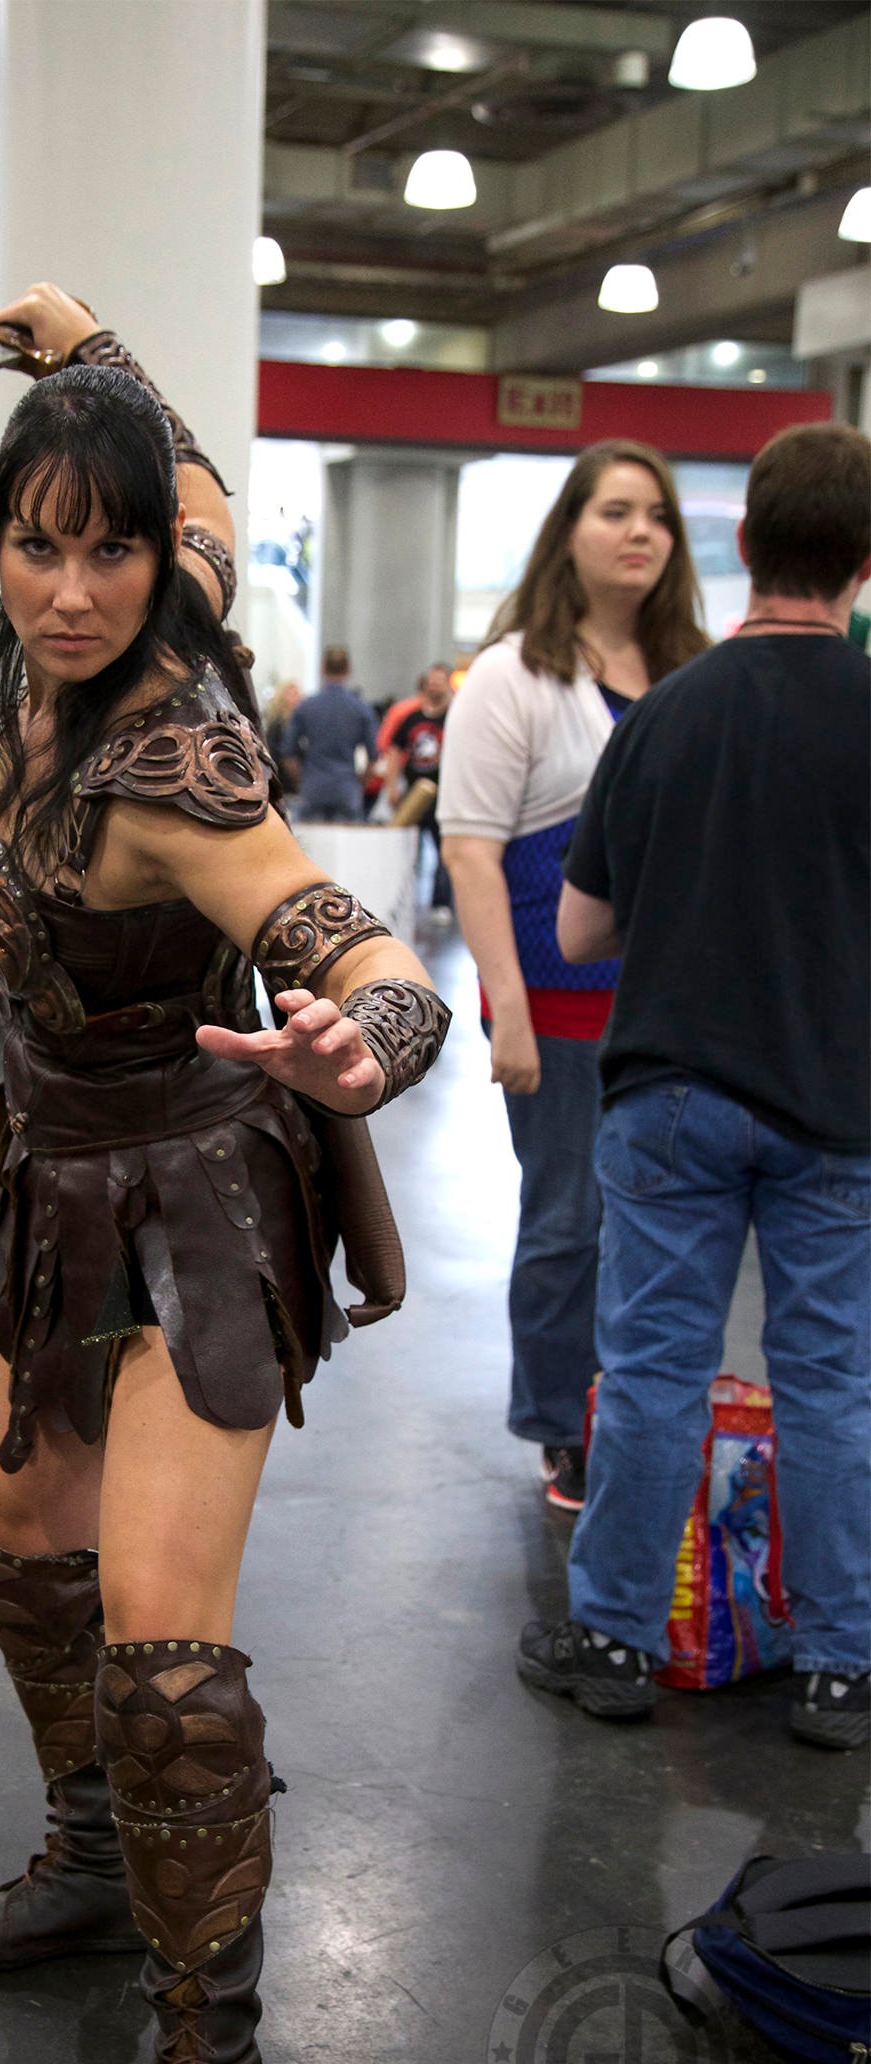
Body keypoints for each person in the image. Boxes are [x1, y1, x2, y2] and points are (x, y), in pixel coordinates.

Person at [0, 281, 450, 2064]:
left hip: (195, 1194)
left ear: (155, 569)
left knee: (164, 1656)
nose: (75, 586)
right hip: (50, 1169)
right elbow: (201, 473)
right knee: (15, 1551)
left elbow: (362, 951)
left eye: (113, 548)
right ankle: (79, 1862)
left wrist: (361, 1037)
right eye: (39, 543)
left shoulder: (176, 768)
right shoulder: (30, 663)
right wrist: (91, 346)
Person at [518, 423, 871, 1750]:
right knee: (830, 1380)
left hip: (665, 1094)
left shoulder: (662, 714)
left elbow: (585, 933)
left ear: (741, 543)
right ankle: (842, 1662)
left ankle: (612, 1636)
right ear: (864, 564)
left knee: (654, 1369)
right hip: (835, 1102)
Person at [439, 441, 707, 1512]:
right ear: (570, 531)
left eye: (659, 517)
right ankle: (562, 1424)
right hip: (557, 1014)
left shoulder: (697, 673)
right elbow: (470, 848)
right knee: (569, 1223)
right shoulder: (516, 675)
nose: (641, 532)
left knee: (667, 1231)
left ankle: (639, 1414)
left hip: (679, 1014)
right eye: (616, 512)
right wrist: (504, 1009)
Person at [382, 663, 454, 912]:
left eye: (440, 681)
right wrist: (392, 786)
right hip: (414, 794)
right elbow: (393, 750)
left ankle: (441, 903)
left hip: (445, 797)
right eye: (431, 681)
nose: (435, 685)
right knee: (409, 852)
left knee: (443, 853)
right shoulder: (411, 719)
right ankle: (404, 903)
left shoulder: (455, 718)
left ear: (448, 684)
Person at [285, 648, 374, 821]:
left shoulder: (305, 707)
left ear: (323, 668)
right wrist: (359, 782)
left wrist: (301, 780)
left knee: (309, 844)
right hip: (346, 787)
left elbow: (288, 753)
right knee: (348, 844)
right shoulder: (361, 709)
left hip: (313, 786)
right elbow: (373, 756)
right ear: (348, 669)